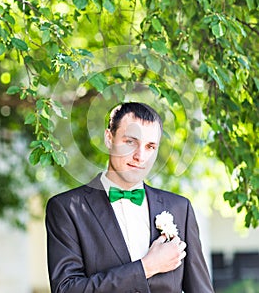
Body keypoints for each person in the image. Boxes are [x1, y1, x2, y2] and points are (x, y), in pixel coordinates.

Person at [46, 102, 214, 293]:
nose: (140, 156)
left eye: (150, 146)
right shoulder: (67, 208)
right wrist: (146, 267)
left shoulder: (180, 208)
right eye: (130, 142)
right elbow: (66, 289)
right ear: (109, 138)